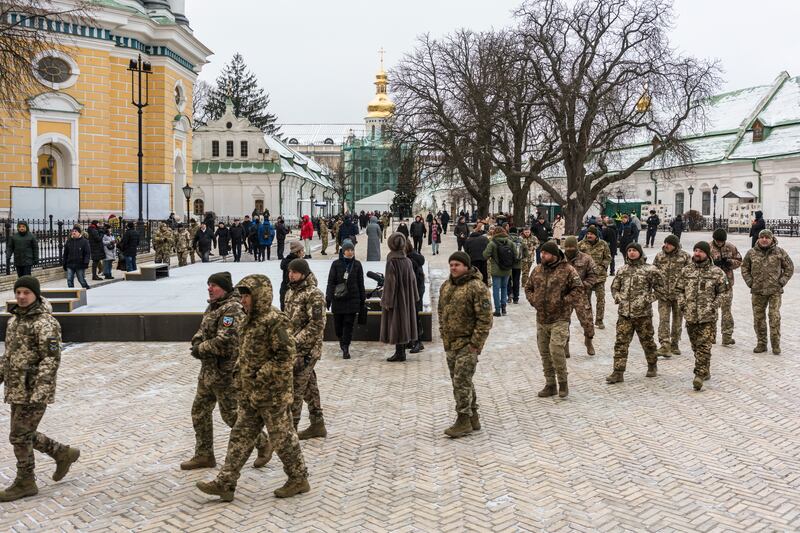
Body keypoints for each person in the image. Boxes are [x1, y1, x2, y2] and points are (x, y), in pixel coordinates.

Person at [196, 274, 309, 501]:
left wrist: (260, 374)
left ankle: (298, 479)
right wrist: (241, 374)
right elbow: (246, 352)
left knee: (283, 438)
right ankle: (225, 483)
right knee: (240, 436)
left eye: (248, 295)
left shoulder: (276, 320)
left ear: (261, 295)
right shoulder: (248, 319)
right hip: (250, 393)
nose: (244, 300)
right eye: (243, 295)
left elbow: (286, 355)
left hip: (272, 393)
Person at [0, 276, 80, 501]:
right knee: (22, 434)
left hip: (34, 389)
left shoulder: (45, 323)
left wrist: (41, 391)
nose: (21, 297)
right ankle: (63, 453)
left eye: (26, 292)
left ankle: (26, 482)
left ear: (35, 294)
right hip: (16, 389)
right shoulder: (14, 321)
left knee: (19, 435)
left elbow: (51, 359)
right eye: (18, 292)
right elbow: (9, 357)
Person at [182, 272, 270, 471]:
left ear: (224, 288)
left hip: (224, 373)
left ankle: (263, 443)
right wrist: (197, 341)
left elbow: (226, 341)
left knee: (231, 416)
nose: (209, 288)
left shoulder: (232, 310)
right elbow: (202, 331)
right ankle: (204, 455)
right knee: (199, 411)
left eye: (214, 285)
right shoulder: (213, 306)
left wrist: (200, 349)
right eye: (208, 284)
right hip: (207, 372)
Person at [438, 251, 493, 438]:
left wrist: (475, 344)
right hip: (451, 343)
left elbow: (485, 318)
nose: (453, 267)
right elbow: (441, 312)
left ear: (466, 267)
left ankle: (463, 420)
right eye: (451, 264)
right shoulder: (446, 286)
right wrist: (443, 334)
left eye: (457, 265)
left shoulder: (477, 287)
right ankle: (473, 415)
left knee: (461, 380)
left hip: (467, 343)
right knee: (462, 380)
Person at [524, 241, 583, 399]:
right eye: (542, 252)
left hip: (560, 318)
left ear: (554, 255)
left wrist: (565, 301)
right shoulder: (537, 270)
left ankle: (563, 383)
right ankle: (550, 384)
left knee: (556, 350)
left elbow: (578, 288)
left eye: (546, 253)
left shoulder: (567, 270)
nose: (542, 255)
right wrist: (533, 300)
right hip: (542, 318)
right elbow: (528, 287)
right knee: (544, 353)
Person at [606, 243, 664, 384]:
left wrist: (646, 299)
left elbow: (661, 289)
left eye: (634, 250)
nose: (631, 253)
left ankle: (652, 365)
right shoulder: (622, 270)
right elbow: (615, 288)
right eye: (629, 250)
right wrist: (617, 296)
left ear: (640, 252)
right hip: (625, 314)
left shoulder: (650, 270)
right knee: (621, 343)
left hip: (643, 315)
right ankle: (618, 372)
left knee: (648, 342)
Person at [285, 259, 328, 440]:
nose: (291, 275)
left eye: (295, 272)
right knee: (309, 387)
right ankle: (317, 424)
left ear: (303, 273)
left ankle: (289, 433)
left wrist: (295, 343)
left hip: (307, 351)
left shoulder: (314, 295)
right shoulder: (290, 292)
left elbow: (317, 324)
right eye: (290, 271)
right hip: (293, 348)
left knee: (295, 389)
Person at [677, 242, 729, 391]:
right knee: (695, 346)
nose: (697, 253)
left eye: (700, 251)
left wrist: (714, 305)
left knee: (704, 346)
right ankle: (705, 368)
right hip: (690, 315)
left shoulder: (717, 272)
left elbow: (724, 292)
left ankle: (699, 375)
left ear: (707, 254)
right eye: (695, 250)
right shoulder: (686, 271)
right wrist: (683, 304)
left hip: (708, 317)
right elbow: (679, 290)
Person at [741, 229, 794, 354]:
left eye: (767, 237)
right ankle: (761, 343)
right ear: (759, 238)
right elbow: (744, 268)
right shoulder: (751, 253)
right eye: (762, 237)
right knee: (758, 318)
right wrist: (750, 282)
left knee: (774, 317)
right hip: (757, 291)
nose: (764, 239)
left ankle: (776, 345)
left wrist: (782, 281)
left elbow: (789, 268)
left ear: (772, 239)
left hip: (774, 291)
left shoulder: (780, 252)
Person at [380, 233, 419, 362]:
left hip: (396, 298)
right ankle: (401, 352)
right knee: (404, 322)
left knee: (396, 323)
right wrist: (414, 297)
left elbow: (390, 283)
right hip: (407, 298)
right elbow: (413, 280)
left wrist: (387, 301)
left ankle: (399, 353)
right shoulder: (407, 261)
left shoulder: (391, 261)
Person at [326, 240, 366, 359]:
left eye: (352, 250)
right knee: (338, 326)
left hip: (352, 299)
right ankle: (341, 340)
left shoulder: (357, 264)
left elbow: (360, 282)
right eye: (348, 250)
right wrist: (329, 297)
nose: (351, 252)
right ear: (343, 251)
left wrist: (362, 299)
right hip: (339, 299)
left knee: (348, 324)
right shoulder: (336, 264)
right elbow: (331, 282)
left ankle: (345, 347)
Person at [653, 235, 690, 357]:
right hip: (663, 294)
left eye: (669, 243)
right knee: (663, 319)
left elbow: (690, 275)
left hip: (679, 295)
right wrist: (657, 288)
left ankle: (675, 343)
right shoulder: (659, 256)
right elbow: (654, 273)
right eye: (665, 243)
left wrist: (685, 292)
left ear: (675, 245)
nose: (666, 245)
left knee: (677, 320)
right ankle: (664, 344)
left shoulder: (685, 256)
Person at [563, 236, 597, 357]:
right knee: (563, 322)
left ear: (576, 247)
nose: (569, 249)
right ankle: (565, 346)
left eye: (571, 247)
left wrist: (583, 285)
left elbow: (593, 276)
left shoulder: (586, 259)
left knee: (587, 321)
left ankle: (588, 341)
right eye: (567, 247)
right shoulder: (559, 258)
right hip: (565, 296)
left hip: (581, 295)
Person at [709, 228, 742, 345]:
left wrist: (730, 262)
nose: (719, 243)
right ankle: (711, 336)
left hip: (727, 283)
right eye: (717, 241)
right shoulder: (708, 248)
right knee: (711, 310)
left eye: (721, 241)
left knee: (726, 310)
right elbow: (699, 262)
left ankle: (727, 336)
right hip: (711, 285)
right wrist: (713, 264)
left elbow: (739, 260)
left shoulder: (730, 247)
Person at [578, 226, 611, 329]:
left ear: (596, 235)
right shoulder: (581, 244)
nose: (589, 236)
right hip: (586, 278)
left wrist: (601, 267)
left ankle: (599, 320)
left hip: (599, 278)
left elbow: (608, 258)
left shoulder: (603, 244)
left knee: (601, 299)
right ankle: (588, 320)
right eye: (588, 234)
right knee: (586, 301)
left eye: (591, 234)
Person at [482, 225, 515, 317]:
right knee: (504, 288)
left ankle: (497, 310)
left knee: (496, 289)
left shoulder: (492, 243)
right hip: (507, 269)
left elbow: (485, 255)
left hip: (496, 270)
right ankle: (504, 308)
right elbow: (515, 255)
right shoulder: (510, 242)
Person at [405, 239, 426, 354]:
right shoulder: (413, 257)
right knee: (410, 315)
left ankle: (418, 341)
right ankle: (412, 340)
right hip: (416, 290)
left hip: (415, 291)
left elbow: (413, 278)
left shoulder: (410, 260)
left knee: (415, 315)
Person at [506, 227, 529, 305]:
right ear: (517, 232)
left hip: (508, 264)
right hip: (518, 265)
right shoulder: (521, 240)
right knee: (516, 281)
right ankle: (516, 298)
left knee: (508, 280)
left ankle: (509, 295)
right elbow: (526, 253)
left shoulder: (507, 240)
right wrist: (521, 257)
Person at [280, 241, 305, 310]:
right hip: (291, 291)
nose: (303, 252)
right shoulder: (296, 264)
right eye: (302, 250)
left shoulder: (287, 261)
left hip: (284, 290)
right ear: (297, 252)